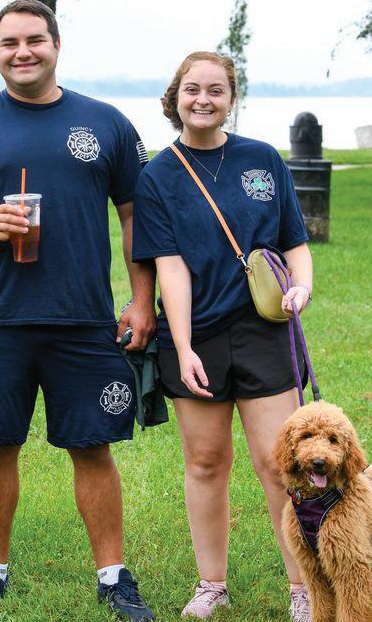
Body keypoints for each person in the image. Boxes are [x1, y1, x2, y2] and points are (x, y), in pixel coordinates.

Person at [0, 0, 157, 621]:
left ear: (56, 45)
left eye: (34, 40)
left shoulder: (105, 124)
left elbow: (135, 215)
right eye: (10, 43)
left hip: (84, 318)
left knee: (93, 446)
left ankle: (113, 576)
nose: (22, 52)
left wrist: (141, 299)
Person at [130, 52, 313, 621]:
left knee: (280, 463)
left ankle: (305, 587)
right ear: (175, 97)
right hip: (198, 335)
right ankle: (212, 583)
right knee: (206, 462)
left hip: (263, 331)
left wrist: (302, 288)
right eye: (192, 89)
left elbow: (294, 241)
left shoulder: (262, 159)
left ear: (231, 98)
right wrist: (183, 348)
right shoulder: (158, 175)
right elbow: (171, 268)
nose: (203, 99)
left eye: (215, 90)